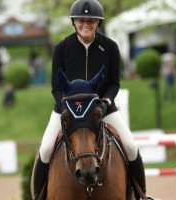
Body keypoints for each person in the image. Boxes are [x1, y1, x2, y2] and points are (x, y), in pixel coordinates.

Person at [31, 1, 153, 199]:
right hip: (68, 109)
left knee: (130, 146)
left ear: (98, 23)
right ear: (74, 22)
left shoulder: (110, 47)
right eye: (81, 20)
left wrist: (105, 101)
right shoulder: (62, 48)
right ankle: (38, 197)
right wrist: (66, 106)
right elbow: (56, 87)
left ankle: (142, 195)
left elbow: (114, 83)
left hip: (102, 109)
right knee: (45, 149)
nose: (85, 24)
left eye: (91, 20)